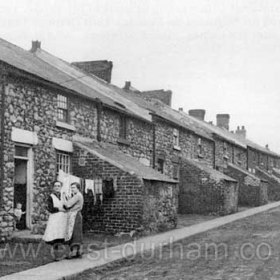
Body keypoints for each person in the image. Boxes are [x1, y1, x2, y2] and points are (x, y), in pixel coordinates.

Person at [43, 181, 67, 261]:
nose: (57, 187)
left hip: (62, 218)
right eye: (55, 186)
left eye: (59, 186)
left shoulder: (63, 196)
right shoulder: (51, 197)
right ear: (53, 187)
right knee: (54, 236)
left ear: (61, 187)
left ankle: (60, 254)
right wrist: (59, 209)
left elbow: (66, 205)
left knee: (61, 236)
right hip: (54, 218)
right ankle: (54, 255)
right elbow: (50, 208)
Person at [64, 182, 84, 259]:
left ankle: (74, 252)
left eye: (74, 187)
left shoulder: (77, 195)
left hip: (75, 215)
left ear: (78, 188)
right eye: (71, 187)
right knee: (77, 232)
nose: (72, 189)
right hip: (76, 214)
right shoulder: (78, 195)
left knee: (74, 233)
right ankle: (78, 251)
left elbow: (68, 204)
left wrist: (64, 198)